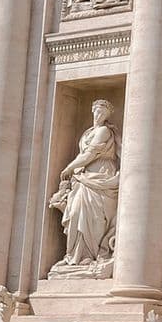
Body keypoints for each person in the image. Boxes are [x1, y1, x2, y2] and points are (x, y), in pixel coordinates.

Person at [50, 100, 120, 271]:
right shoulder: (88, 132)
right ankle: (75, 256)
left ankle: (90, 255)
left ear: (107, 115)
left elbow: (90, 154)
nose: (98, 115)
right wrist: (75, 169)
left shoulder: (104, 131)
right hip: (84, 176)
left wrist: (70, 167)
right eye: (96, 111)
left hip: (101, 174)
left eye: (102, 112)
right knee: (75, 213)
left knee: (95, 217)